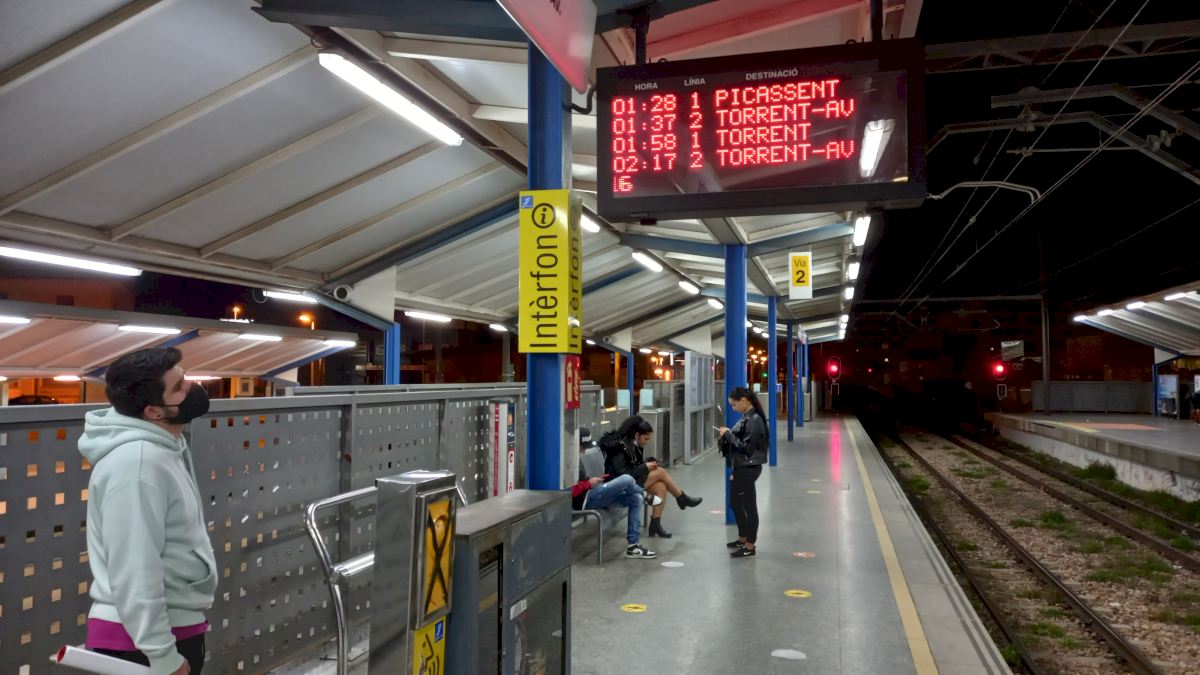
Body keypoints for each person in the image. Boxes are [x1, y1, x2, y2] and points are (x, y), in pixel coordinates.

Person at [78, 347, 216, 675]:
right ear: (154, 411)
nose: (191, 388)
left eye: (185, 378)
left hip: (165, 631)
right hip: (142, 645)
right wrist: (162, 655)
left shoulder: (162, 450)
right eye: (179, 387)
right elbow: (134, 567)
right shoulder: (137, 466)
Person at [600, 415, 702, 539]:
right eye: (646, 438)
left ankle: (655, 524)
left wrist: (647, 462)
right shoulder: (618, 448)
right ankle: (681, 497)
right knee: (660, 472)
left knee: (661, 487)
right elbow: (623, 475)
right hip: (616, 488)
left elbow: (633, 466)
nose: (647, 442)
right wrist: (645, 467)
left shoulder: (633, 445)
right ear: (636, 435)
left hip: (630, 483)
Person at [571, 428, 659, 558]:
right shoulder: (565, 462)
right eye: (583, 447)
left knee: (635, 498)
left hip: (593, 491)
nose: (585, 450)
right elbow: (568, 491)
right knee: (627, 479)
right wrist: (588, 484)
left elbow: (581, 480)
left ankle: (633, 547)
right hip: (585, 499)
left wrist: (592, 481)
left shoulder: (575, 458)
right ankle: (645, 495)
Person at [718, 387, 768, 558]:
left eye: (734, 404)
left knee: (749, 506)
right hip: (741, 466)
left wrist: (728, 435)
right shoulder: (747, 416)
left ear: (744, 401)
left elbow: (746, 448)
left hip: (749, 467)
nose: (733, 408)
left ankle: (750, 545)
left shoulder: (755, 420)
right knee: (735, 502)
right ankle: (743, 538)